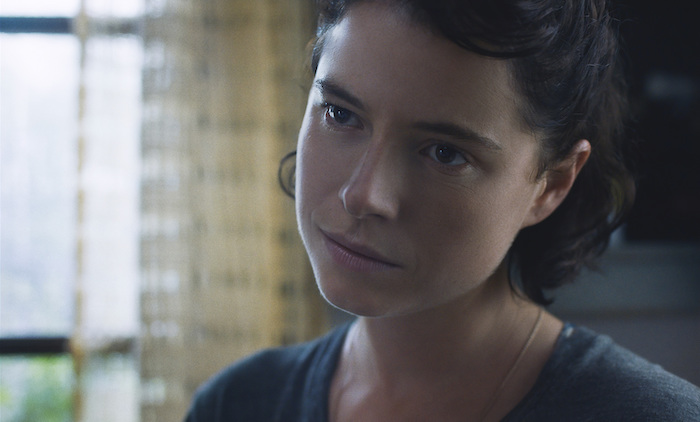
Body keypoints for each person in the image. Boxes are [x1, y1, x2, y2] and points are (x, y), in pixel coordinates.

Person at [186, 0, 700, 420]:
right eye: (341, 114)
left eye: (445, 153)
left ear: (552, 184)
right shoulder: (236, 405)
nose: (363, 195)